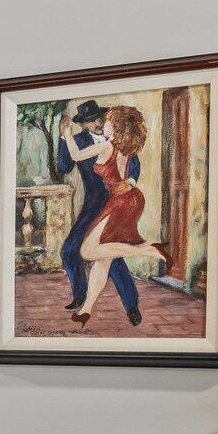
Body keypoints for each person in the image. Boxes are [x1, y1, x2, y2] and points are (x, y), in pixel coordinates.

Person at [71, 104, 170, 327]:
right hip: (127, 200)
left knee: (87, 251)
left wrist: (65, 135)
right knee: (104, 259)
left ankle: (148, 249)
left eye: (107, 121)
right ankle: (86, 309)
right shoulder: (125, 147)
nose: (102, 123)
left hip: (120, 202)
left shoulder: (108, 146)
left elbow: (76, 155)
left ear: (115, 128)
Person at [56, 100, 141, 324]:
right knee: (69, 251)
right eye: (89, 121)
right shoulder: (81, 141)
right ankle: (80, 296)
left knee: (111, 257)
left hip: (115, 204)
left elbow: (134, 164)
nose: (95, 123)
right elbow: (64, 166)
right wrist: (64, 137)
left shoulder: (117, 138)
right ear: (82, 125)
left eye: (97, 118)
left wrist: (131, 181)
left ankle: (132, 305)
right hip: (93, 205)